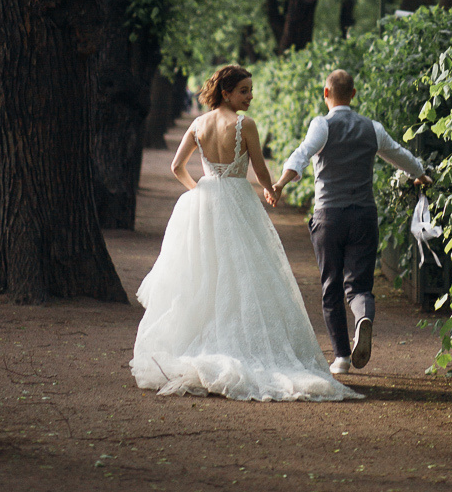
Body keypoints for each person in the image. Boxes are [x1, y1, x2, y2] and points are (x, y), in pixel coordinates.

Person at [130, 63, 354, 402]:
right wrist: (272, 190)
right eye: (244, 91)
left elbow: (177, 168)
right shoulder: (244, 125)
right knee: (243, 274)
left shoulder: (198, 125)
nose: (250, 97)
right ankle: (239, 344)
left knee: (204, 274)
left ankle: (200, 342)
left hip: (203, 204)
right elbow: (261, 170)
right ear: (226, 92)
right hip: (237, 200)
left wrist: (198, 190)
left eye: (250, 90)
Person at [272, 68, 431, 377]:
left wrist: (280, 184)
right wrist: (420, 174)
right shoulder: (372, 128)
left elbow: (302, 154)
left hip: (328, 216)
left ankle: (342, 357)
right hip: (363, 215)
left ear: (325, 94)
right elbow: (400, 155)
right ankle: (363, 318)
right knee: (359, 286)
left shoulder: (322, 125)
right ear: (354, 95)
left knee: (331, 286)